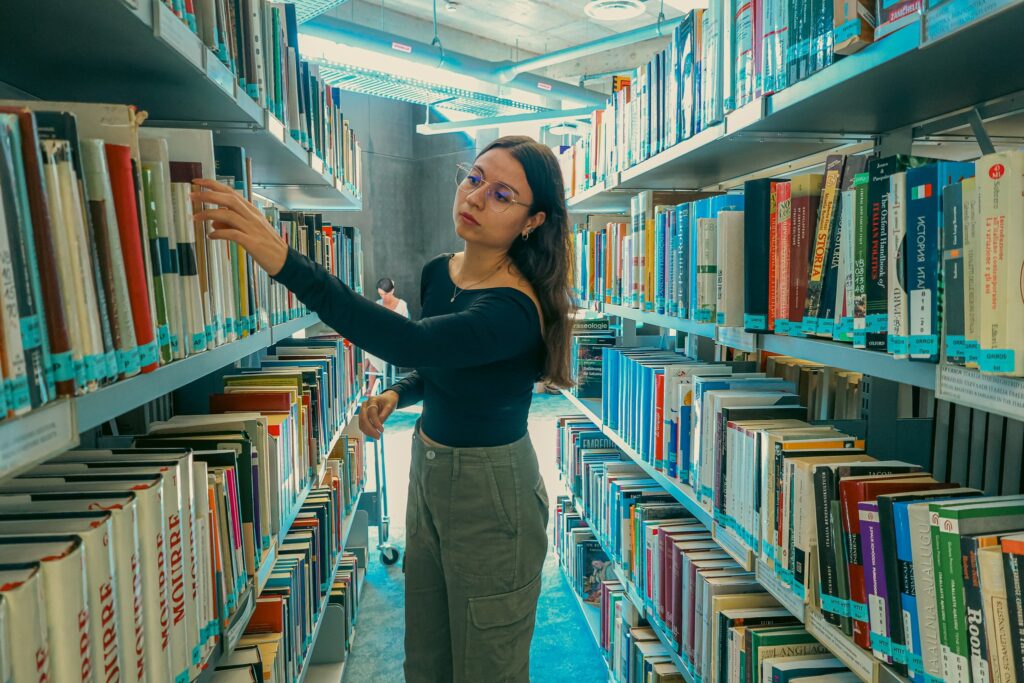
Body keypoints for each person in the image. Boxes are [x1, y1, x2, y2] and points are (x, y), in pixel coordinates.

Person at [192, 134, 574, 682]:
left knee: (488, 667)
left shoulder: (512, 308)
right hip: (428, 469)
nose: (475, 196)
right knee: (424, 658)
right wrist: (402, 392)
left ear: (532, 221)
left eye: (501, 195)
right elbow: (445, 362)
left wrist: (286, 262)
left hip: (494, 494)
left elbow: (410, 343)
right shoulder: (441, 273)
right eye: (474, 178)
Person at [365, 277, 410, 376]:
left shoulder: (402, 305)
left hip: (396, 341)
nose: (383, 297)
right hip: (380, 339)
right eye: (380, 294)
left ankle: (367, 386)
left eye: (386, 294)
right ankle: (363, 383)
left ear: (392, 290)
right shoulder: (378, 304)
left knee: (373, 352)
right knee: (366, 348)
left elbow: (405, 327)